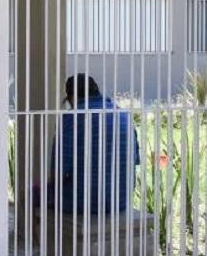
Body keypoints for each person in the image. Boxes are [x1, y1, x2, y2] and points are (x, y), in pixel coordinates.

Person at [40, 74, 138, 216]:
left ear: (72, 97)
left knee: (30, 195)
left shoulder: (70, 118)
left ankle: (32, 231)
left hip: (82, 202)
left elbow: (58, 173)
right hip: (120, 200)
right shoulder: (124, 115)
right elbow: (135, 161)